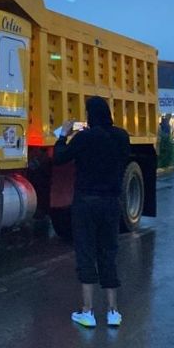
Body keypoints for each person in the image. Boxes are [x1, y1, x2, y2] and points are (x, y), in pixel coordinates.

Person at [54, 96, 131, 328]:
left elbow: (60, 158)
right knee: (108, 252)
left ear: (90, 115)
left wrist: (63, 135)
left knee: (86, 252)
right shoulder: (121, 136)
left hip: (86, 203)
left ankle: (87, 312)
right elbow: (123, 159)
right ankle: (113, 312)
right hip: (110, 203)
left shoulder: (84, 137)